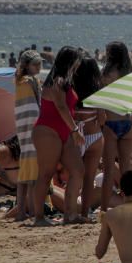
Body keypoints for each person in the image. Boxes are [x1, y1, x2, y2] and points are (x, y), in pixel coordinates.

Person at [31, 46, 84, 226]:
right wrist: (76, 131)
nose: (79, 64)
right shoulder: (57, 80)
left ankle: (70, 214)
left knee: (78, 170)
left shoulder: (66, 81)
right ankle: (38, 217)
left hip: (65, 130)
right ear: (70, 61)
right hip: (47, 130)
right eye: (77, 60)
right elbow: (61, 107)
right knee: (45, 175)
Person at [100, 42, 132, 209]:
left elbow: (97, 99)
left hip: (110, 122)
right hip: (127, 124)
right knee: (125, 170)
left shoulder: (105, 74)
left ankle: (105, 209)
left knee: (108, 172)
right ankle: (128, 205)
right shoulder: (131, 74)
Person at [71, 55, 105, 221]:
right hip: (94, 136)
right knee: (89, 177)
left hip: (75, 137)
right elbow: (103, 118)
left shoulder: (70, 89)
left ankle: (71, 212)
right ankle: (84, 213)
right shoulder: (97, 90)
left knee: (74, 176)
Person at [10, 50, 42, 221]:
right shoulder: (30, 81)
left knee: (25, 171)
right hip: (32, 128)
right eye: (35, 63)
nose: (38, 66)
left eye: (39, 63)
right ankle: (30, 211)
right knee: (32, 173)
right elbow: (35, 107)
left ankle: (22, 211)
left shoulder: (19, 81)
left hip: (23, 128)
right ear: (26, 65)